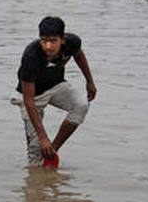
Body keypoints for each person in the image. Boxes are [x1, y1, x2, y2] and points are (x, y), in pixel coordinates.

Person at [12, 16, 97, 166]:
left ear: (62, 39)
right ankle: (38, 171)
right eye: (44, 40)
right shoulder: (31, 56)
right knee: (35, 155)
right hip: (32, 97)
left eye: (53, 41)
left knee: (81, 104)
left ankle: (53, 151)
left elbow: (79, 54)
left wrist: (89, 81)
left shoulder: (72, 42)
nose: (48, 46)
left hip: (56, 85)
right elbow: (29, 101)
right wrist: (43, 138)